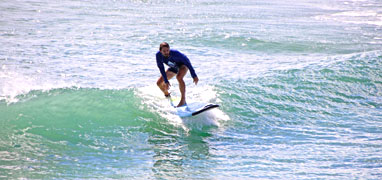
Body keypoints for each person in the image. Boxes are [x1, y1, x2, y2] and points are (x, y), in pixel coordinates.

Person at [156, 42, 199, 107]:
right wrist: (166, 81)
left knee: (179, 77)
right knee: (159, 83)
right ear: (160, 51)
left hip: (183, 66)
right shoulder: (158, 55)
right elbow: (161, 68)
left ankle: (183, 100)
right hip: (173, 67)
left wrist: (194, 75)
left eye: (167, 50)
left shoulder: (176, 53)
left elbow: (187, 62)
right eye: (164, 51)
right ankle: (167, 95)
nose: (166, 52)